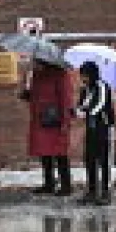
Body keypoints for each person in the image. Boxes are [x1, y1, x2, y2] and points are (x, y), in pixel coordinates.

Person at [22, 58, 75, 196]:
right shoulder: (37, 74)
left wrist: (65, 121)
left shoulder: (61, 74)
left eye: (37, 61)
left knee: (60, 153)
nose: (35, 63)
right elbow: (36, 94)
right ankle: (49, 183)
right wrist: (27, 94)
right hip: (41, 119)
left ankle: (65, 185)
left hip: (55, 119)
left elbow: (66, 99)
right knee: (45, 153)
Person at [74, 61, 115, 206]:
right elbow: (82, 104)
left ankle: (105, 191)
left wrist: (85, 111)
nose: (83, 78)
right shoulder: (85, 89)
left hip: (102, 126)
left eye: (85, 75)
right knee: (89, 159)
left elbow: (100, 105)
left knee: (103, 160)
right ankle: (91, 191)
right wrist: (77, 110)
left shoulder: (103, 87)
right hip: (90, 127)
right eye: (82, 75)